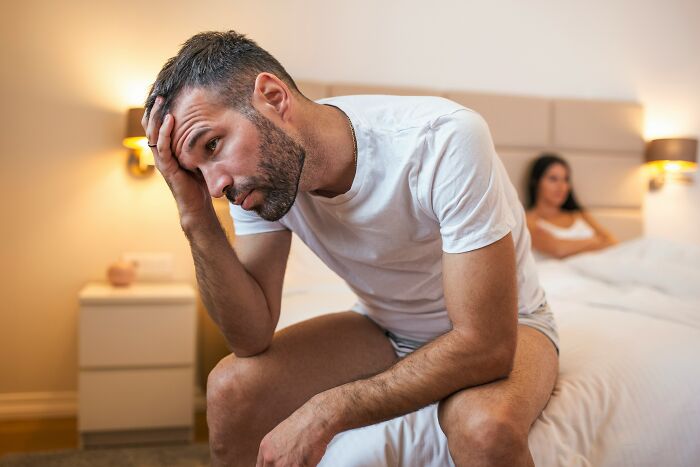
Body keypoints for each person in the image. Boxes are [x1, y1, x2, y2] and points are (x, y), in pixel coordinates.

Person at [142, 30, 559, 467]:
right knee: (230, 388)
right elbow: (250, 336)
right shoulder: (255, 185)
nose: (215, 185)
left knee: (483, 430)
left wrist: (330, 409)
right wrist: (196, 220)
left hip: (512, 325)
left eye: (212, 145)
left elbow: (485, 346)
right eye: (198, 171)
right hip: (386, 327)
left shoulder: (441, 140)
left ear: (272, 97)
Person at [525, 154, 617, 260]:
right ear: (536, 182)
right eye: (553, 179)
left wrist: (571, 248)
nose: (561, 187)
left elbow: (612, 243)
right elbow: (558, 249)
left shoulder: (579, 215)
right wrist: (594, 240)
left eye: (565, 179)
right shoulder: (528, 221)